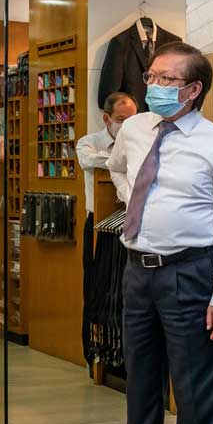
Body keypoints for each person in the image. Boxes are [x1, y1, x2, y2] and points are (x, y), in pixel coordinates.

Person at [104, 42, 213, 424]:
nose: (155, 87)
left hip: (191, 272)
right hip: (137, 270)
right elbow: (117, 168)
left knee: (195, 386)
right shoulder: (134, 127)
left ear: (193, 89)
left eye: (167, 80)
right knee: (141, 379)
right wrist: (132, 198)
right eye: (153, 77)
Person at [78, 91, 138, 359]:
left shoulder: (142, 141)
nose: (127, 125)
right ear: (106, 118)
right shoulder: (89, 142)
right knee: (95, 287)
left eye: (132, 119)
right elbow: (88, 160)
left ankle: (125, 353)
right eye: (121, 119)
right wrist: (120, 159)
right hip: (98, 224)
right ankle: (93, 352)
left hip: (129, 220)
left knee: (126, 289)